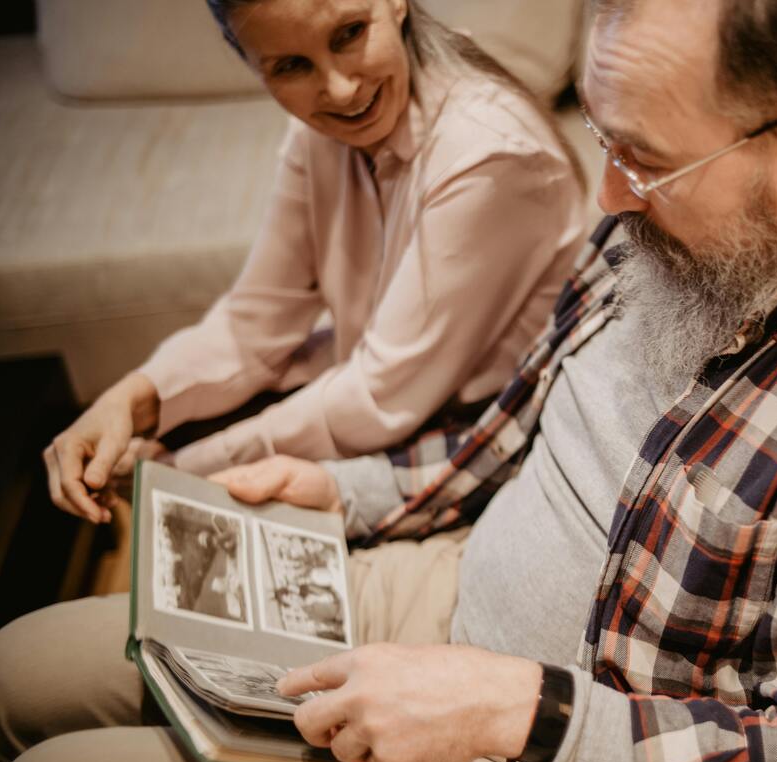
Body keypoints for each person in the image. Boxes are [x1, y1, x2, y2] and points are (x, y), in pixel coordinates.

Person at [0, 1, 777, 762]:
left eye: (639, 157)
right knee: (18, 671)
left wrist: (512, 706)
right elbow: (508, 436)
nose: (603, 196)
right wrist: (341, 485)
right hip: (433, 591)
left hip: (528, 756)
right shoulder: (672, 230)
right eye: (607, 138)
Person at [41, 0, 587, 525]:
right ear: (253, 66)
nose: (341, 90)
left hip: (481, 426)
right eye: (291, 66)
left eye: (349, 33)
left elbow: (380, 396)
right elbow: (256, 321)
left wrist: (176, 470)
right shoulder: (320, 131)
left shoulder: (487, 155)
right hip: (395, 386)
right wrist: (129, 398)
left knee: (203, 476)